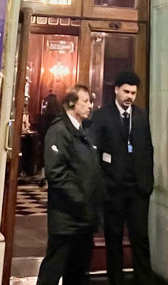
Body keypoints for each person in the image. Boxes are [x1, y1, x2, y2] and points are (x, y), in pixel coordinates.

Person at [93, 71, 154, 285]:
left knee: (141, 238)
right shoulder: (102, 116)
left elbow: (147, 148)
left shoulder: (141, 115)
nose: (130, 96)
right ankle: (116, 279)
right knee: (114, 237)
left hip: (138, 188)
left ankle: (143, 279)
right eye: (126, 91)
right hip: (113, 189)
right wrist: (104, 183)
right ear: (116, 90)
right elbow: (95, 153)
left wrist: (148, 182)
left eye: (134, 93)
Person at [39, 84, 104, 285]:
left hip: (84, 217)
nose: (90, 106)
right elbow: (56, 172)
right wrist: (81, 199)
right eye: (85, 101)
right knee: (54, 267)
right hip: (67, 217)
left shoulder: (85, 130)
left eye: (90, 101)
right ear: (71, 103)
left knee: (78, 269)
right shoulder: (59, 130)